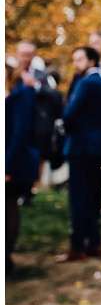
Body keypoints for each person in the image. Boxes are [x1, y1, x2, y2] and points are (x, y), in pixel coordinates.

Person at [61, 45, 101, 260]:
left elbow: (69, 114)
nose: (76, 64)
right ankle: (94, 243)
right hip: (99, 147)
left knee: (78, 198)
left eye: (80, 59)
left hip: (81, 148)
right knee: (93, 197)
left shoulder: (85, 83)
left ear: (91, 61)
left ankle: (77, 247)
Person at [6, 65, 40, 270]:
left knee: (9, 205)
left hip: (12, 160)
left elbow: (19, 134)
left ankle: (7, 255)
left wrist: (7, 167)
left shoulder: (19, 96)